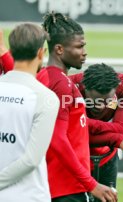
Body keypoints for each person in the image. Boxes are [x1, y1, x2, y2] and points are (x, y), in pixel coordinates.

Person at [37, 12, 117, 202]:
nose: (84, 52)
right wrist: (91, 183)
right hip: (65, 188)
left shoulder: (49, 78)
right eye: (79, 47)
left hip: (61, 186)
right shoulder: (60, 84)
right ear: (59, 49)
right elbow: (57, 139)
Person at [0, 23, 59, 201]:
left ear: (11, 49)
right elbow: (31, 160)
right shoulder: (46, 98)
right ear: (41, 53)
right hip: (30, 195)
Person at [69, 63, 123, 188]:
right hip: (73, 159)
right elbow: (68, 133)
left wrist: (82, 123)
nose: (100, 106)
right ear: (84, 88)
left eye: (107, 101)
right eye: (93, 101)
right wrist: (115, 138)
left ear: (115, 90)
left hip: (106, 159)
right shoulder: (70, 86)